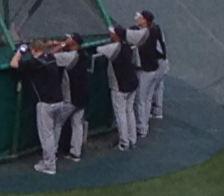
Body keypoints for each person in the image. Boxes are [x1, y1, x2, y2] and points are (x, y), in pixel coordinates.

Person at [11, 38, 73, 175]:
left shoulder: (34, 62)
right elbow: (52, 51)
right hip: (59, 101)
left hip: (46, 104)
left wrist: (20, 51)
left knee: (47, 136)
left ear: (33, 50)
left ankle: (49, 165)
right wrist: (60, 44)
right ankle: (51, 158)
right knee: (55, 131)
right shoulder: (50, 57)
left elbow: (14, 64)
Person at [95, 22, 140, 150]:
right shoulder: (127, 45)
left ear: (116, 35)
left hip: (120, 87)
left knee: (121, 114)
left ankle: (124, 143)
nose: (110, 34)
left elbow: (98, 49)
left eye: (112, 33)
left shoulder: (114, 47)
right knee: (129, 111)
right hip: (132, 83)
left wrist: (108, 44)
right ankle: (132, 139)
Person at [129, 9, 166, 132]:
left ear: (145, 20)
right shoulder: (154, 30)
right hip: (155, 68)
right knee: (147, 99)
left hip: (146, 70)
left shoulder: (147, 34)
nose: (138, 19)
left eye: (140, 17)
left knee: (140, 100)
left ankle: (141, 127)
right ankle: (145, 124)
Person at [57, 33, 89, 161]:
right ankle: (75, 153)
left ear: (74, 42)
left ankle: (51, 153)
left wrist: (62, 45)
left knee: (56, 123)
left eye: (69, 38)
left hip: (72, 98)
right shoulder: (83, 54)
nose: (66, 39)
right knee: (77, 124)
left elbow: (51, 56)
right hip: (83, 96)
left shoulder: (70, 56)